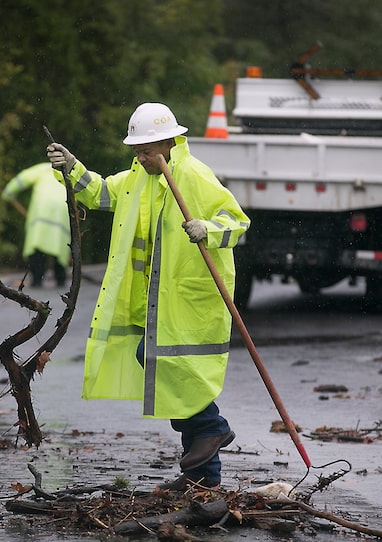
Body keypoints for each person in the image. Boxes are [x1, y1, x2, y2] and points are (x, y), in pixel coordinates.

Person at [46, 103, 250, 490]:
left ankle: (213, 428)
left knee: (174, 370)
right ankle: (202, 478)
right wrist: (71, 167)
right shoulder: (140, 177)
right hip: (157, 299)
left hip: (191, 300)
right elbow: (102, 194)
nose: (138, 156)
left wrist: (207, 227)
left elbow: (236, 221)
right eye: (136, 151)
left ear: (168, 142)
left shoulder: (194, 174)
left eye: (144, 150)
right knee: (163, 366)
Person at [1, 162, 70, 287]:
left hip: (40, 212)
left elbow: (21, 180)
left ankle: (37, 279)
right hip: (62, 212)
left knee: (37, 247)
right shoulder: (69, 172)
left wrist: (8, 194)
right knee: (60, 247)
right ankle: (60, 279)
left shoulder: (43, 169)